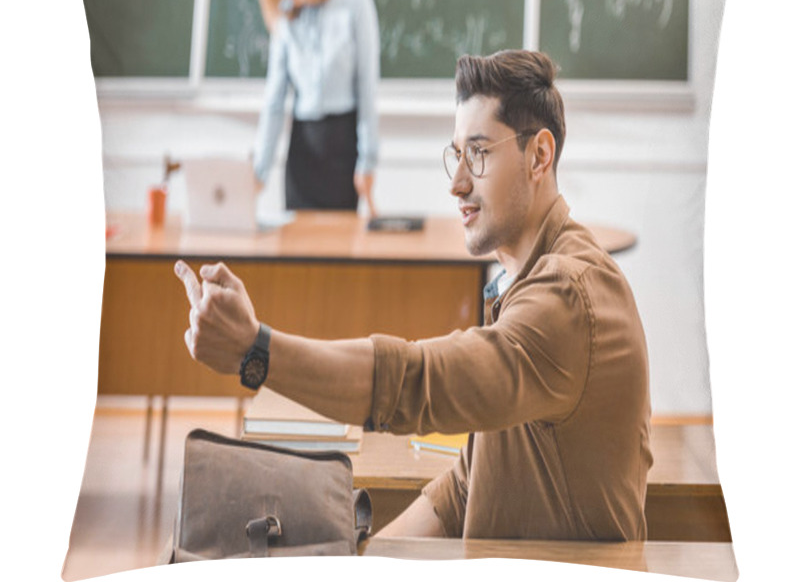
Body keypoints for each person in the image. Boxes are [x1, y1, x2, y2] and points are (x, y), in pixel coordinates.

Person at [176, 49, 653, 541]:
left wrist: (256, 351)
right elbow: (465, 488)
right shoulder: (525, 282)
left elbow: (418, 383)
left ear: (539, 155)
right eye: (457, 154)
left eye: (480, 153)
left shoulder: (567, 297)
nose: (458, 183)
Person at [254, 0, 380, 215]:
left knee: (338, 248)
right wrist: (258, 172)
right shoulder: (286, 15)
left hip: (342, 146)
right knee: (296, 247)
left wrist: (367, 161)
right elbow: (274, 102)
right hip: (302, 148)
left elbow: (367, 86)